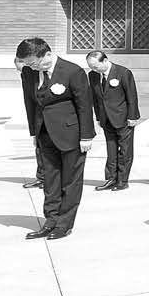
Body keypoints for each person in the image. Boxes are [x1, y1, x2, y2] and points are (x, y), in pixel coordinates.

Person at [17, 38, 94, 240]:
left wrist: (86, 136)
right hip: (45, 134)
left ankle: (64, 224)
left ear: (48, 54)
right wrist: (34, 133)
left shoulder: (72, 71)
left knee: (70, 181)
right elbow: (29, 103)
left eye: (35, 63)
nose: (33, 67)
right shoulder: (29, 73)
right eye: (29, 64)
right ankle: (50, 221)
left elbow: (85, 105)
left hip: (71, 135)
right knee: (50, 181)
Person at [86, 51, 140, 191]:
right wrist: (98, 117)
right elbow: (95, 98)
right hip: (106, 119)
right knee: (111, 150)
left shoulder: (123, 72)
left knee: (125, 151)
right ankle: (111, 178)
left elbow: (132, 96)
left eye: (96, 66)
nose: (94, 69)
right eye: (91, 67)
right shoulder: (93, 75)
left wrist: (133, 116)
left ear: (105, 61)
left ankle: (122, 180)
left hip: (123, 118)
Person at [16, 57, 42, 189]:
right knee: (40, 149)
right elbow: (28, 102)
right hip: (36, 117)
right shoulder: (26, 74)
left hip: (45, 117)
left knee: (44, 150)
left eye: (19, 67)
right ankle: (42, 177)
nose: (20, 71)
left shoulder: (32, 73)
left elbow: (32, 100)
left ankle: (46, 178)